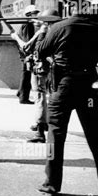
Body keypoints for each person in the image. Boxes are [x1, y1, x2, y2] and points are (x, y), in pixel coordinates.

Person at [35, 0, 98, 196]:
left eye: (68, 3)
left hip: (65, 85)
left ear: (76, 3)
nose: (66, 7)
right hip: (89, 84)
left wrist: (44, 31)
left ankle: (52, 184)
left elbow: (41, 51)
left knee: (55, 134)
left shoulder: (61, 27)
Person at [21, 9, 62, 143]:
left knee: (39, 97)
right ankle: (45, 124)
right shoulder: (59, 30)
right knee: (50, 97)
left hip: (41, 68)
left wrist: (40, 31)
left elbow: (33, 49)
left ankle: (39, 131)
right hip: (54, 69)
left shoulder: (44, 31)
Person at [12, 4, 40, 104]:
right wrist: (29, 54)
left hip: (25, 54)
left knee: (26, 74)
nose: (37, 15)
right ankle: (23, 97)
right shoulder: (27, 25)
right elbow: (26, 43)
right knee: (26, 75)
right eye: (35, 13)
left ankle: (21, 92)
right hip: (26, 54)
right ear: (28, 15)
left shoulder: (29, 25)